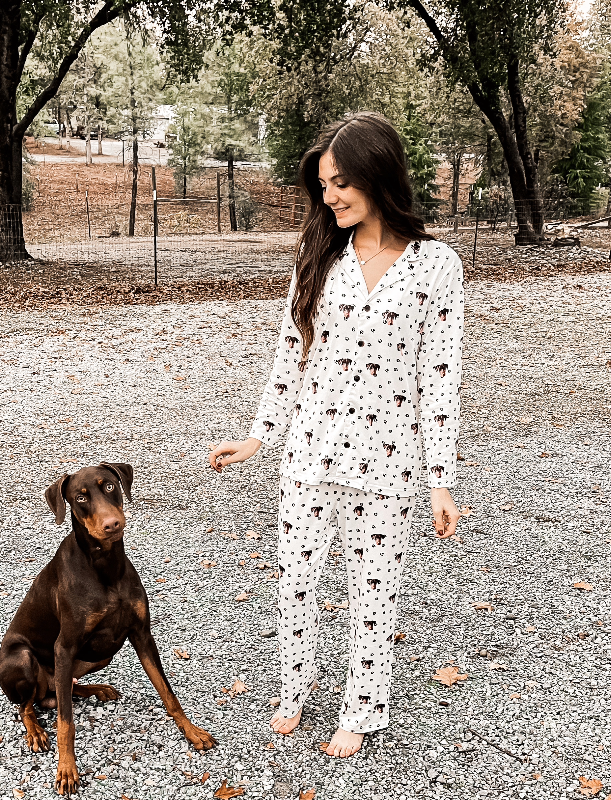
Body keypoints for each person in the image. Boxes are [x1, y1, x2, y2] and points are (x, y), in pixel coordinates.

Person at [208, 111, 465, 758]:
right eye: (323, 185)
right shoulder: (319, 258)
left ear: (379, 174)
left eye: (342, 182)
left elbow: (440, 379)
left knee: (373, 597)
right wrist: (257, 438)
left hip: (387, 469)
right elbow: (289, 357)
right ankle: (294, 690)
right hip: (308, 458)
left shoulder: (437, 267)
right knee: (295, 583)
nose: (330, 197)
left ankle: (362, 708)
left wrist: (441, 481)